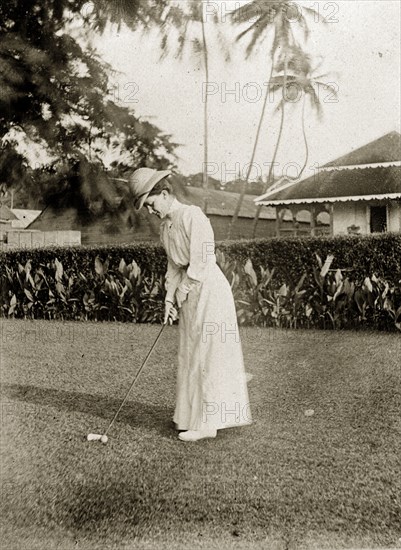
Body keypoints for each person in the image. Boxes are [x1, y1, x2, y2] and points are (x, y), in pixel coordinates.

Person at [129, 168, 252, 442]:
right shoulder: (166, 227)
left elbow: (202, 262)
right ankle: (190, 417)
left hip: (209, 289)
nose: (151, 211)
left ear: (164, 194)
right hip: (190, 291)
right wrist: (169, 299)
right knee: (190, 351)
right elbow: (174, 267)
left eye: (151, 204)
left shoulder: (193, 216)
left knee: (206, 353)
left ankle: (208, 424)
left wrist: (183, 291)